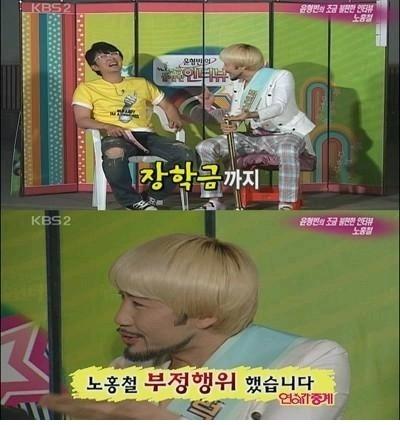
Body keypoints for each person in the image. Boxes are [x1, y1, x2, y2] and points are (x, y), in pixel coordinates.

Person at [40, 234, 350, 420]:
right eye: (122, 298)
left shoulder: (310, 363)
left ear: (204, 314)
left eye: (139, 304)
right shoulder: (126, 371)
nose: (120, 318)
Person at [72, 42, 195, 210]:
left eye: (114, 53)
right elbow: (82, 119)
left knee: (186, 154)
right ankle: (132, 201)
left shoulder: (141, 83)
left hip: (147, 137)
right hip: (116, 136)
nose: (111, 58)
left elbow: (167, 105)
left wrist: (175, 119)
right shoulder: (87, 88)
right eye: (103, 56)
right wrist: (107, 126)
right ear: (95, 67)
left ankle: (153, 195)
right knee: (114, 153)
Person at [195, 43, 316, 211]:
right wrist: (228, 122)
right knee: (206, 147)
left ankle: (286, 204)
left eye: (227, 65)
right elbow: (236, 114)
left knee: (286, 149)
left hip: (286, 133)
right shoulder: (239, 83)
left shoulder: (281, 76)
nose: (224, 69)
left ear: (242, 66)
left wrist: (250, 115)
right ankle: (214, 201)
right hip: (254, 136)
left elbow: (279, 107)